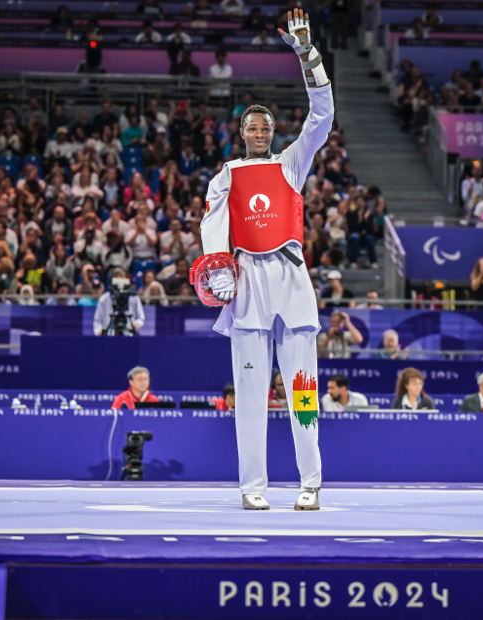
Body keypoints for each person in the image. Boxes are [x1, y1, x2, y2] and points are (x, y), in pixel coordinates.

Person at [199, 9, 333, 511]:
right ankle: (252, 488)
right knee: (251, 396)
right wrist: (218, 273)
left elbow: (323, 116)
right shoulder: (227, 174)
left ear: (274, 132)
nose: (260, 132)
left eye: (267, 126)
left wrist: (307, 53)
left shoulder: (291, 163)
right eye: (252, 126)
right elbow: (212, 228)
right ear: (241, 132)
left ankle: (310, 483)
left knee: (302, 390)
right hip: (247, 282)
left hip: (291, 278)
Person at [93, 268, 146, 336]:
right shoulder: (104, 299)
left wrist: (136, 324)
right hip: (110, 334)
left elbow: (141, 317)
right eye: (116, 277)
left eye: (121, 276)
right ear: (111, 280)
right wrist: (99, 331)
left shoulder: (133, 297)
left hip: (129, 333)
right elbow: (97, 321)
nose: (119, 279)